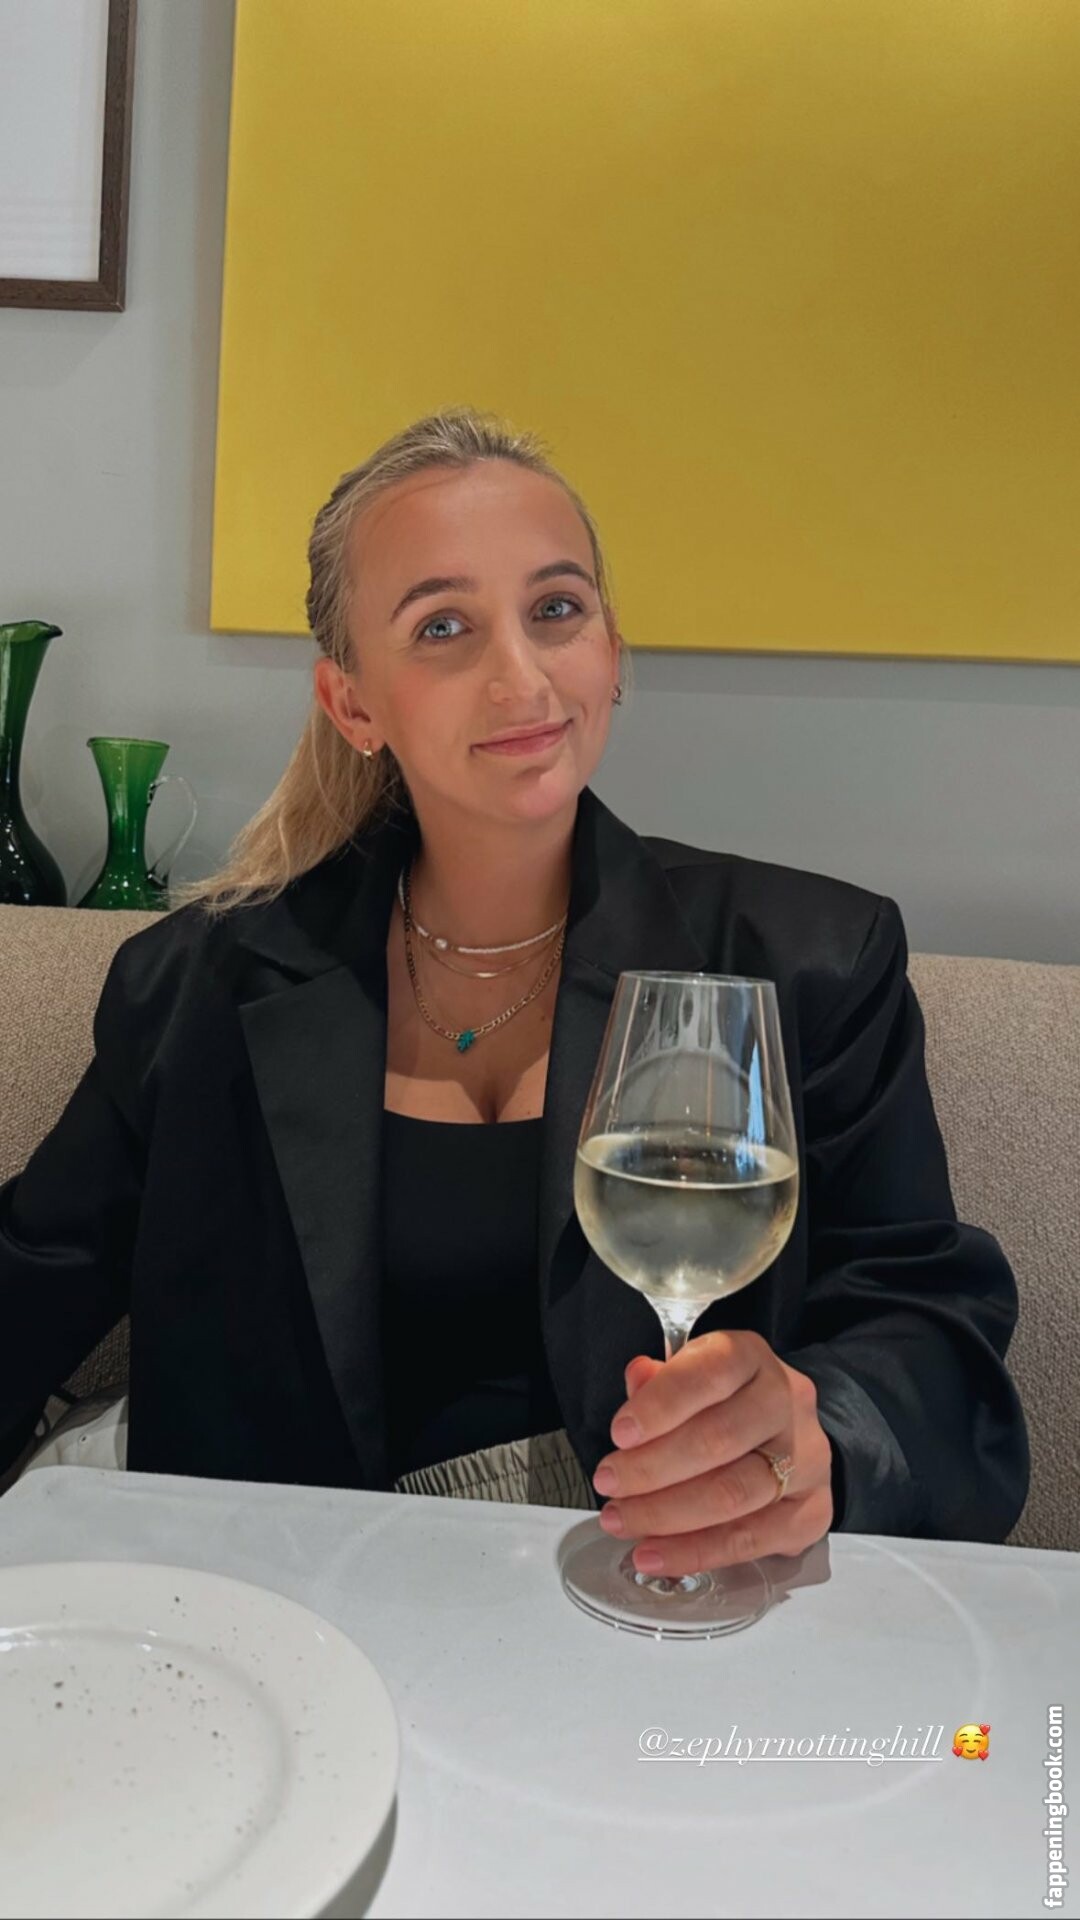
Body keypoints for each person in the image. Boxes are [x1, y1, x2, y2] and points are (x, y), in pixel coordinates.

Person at [0, 407, 1028, 1579]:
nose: (522, 676)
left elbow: (925, 1325)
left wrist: (823, 1435)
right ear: (353, 704)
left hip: (654, 1599)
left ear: (613, 652)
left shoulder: (807, 964)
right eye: (443, 627)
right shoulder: (196, 985)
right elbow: (33, 1280)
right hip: (278, 1609)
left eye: (557, 609)